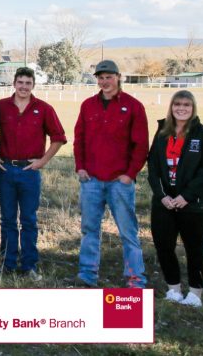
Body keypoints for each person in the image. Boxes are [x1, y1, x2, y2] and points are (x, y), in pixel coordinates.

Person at [73, 59, 149, 288]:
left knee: (128, 231)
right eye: (100, 77)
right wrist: (80, 167)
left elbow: (141, 145)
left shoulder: (133, 106)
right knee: (89, 229)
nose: (104, 81)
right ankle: (87, 275)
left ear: (118, 77)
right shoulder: (88, 105)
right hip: (92, 180)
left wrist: (130, 174)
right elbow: (80, 139)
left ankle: (136, 278)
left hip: (120, 181)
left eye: (109, 77)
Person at [0, 67, 66, 280]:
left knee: (29, 220)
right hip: (6, 169)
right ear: (14, 83)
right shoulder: (1, 107)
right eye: (20, 82)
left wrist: (42, 161)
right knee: (7, 219)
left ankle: (29, 265)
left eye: (28, 83)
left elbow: (58, 137)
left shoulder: (43, 108)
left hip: (29, 171)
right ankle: (7, 263)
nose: (24, 87)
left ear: (33, 85)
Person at [147, 91, 203, 307]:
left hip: (194, 204)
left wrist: (185, 196)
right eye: (177, 104)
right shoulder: (162, 133)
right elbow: (153, 167)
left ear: (193, 107)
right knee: (163, 245)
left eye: (186, 104)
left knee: (194, 248)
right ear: (171, 107)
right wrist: (162, 197)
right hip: (165, 203)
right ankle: (174, 289)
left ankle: (195, 294)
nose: (181, 108)